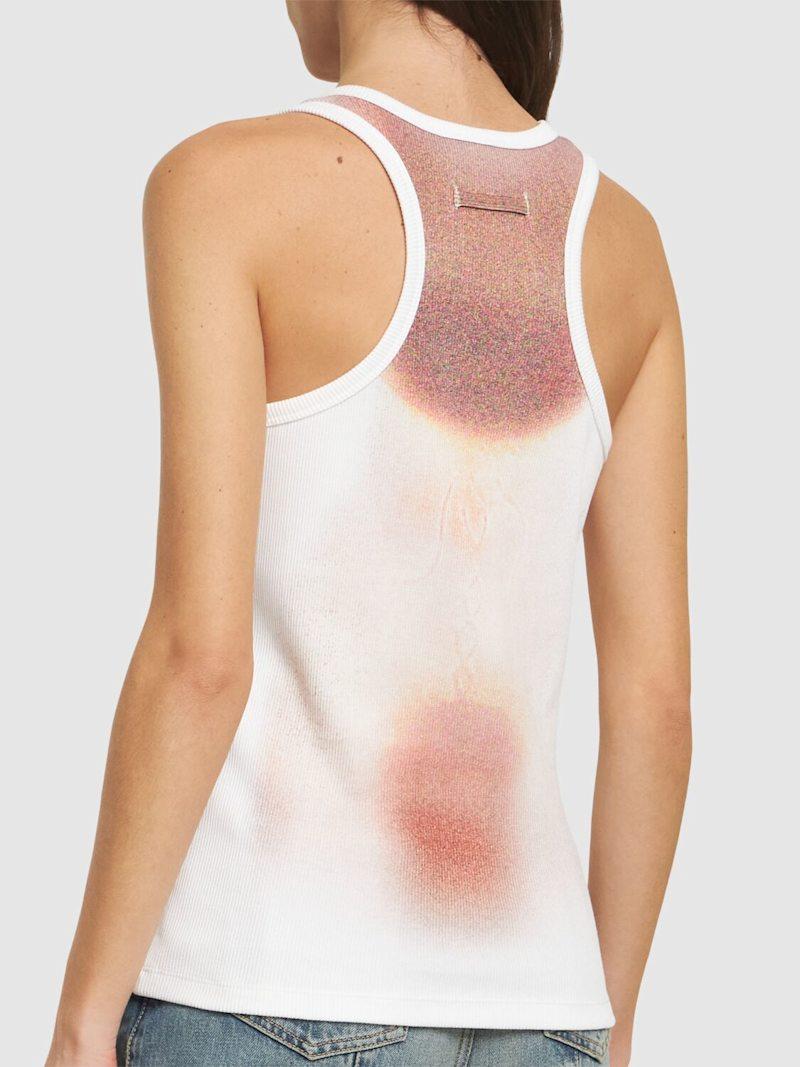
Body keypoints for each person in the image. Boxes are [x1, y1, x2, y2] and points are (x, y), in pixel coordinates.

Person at [46, 2, 691, 1065]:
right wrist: (601, 1029)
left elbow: (198, 658)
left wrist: (81, 1020)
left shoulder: (225, 185)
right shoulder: (625, 241)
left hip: (264, 982)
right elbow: (656, 706)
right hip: (546, 1005)